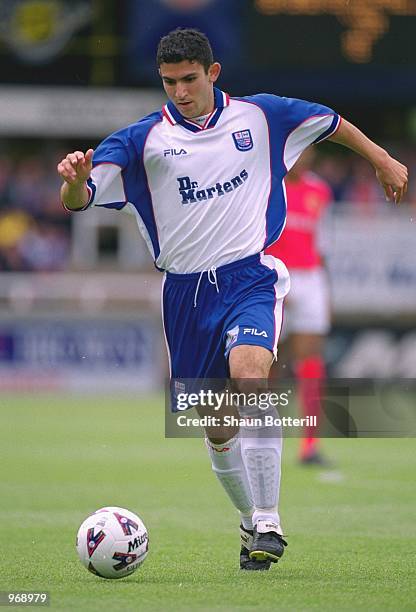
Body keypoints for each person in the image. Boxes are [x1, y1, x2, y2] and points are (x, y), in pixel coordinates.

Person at [57, 28, 408, 571]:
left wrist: (381, 158)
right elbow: (78, 199)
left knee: (253, 378)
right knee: (218, 424)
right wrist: (75, 182)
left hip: (250, 277)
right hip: (184, 294)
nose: (179, 91)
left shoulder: (260, 117)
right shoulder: (139, 142)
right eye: (169, 82)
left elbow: (331, 122)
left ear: (212, 72)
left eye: (189, 79)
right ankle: (249, 521)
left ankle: (269, 518)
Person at [266, 148, 333, 465]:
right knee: (266, 362)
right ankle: (262, 434)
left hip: (310, 279)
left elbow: (323, 244)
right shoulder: (268, 185)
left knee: (310, 359)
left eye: (308, 152)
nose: (302, 157)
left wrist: (326, 291)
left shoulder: (320, 190)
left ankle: (309, 444)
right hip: (274, 275)